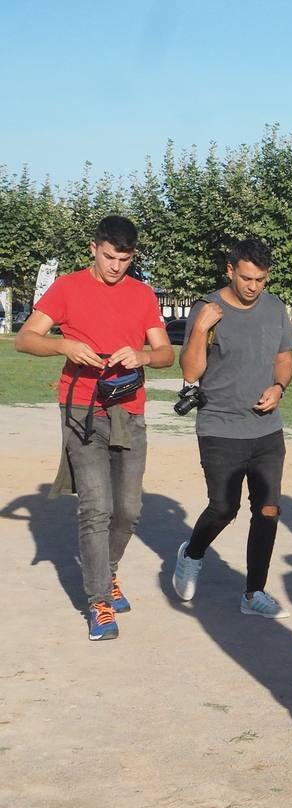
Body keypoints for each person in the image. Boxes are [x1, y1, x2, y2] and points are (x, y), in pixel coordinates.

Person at [15, 215, 173, 641]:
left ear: (132, 256)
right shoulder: (67, 287)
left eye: (123, 258)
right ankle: (99, 601)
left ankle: (107, 568)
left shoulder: (142, 295)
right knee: (95, 507)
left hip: (130, 411)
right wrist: (63, 344)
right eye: (108, 256)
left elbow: (165, 354)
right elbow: (25, 338)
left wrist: (140, 356)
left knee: (128, 510)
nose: (115, 265)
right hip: (81, 410)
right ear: (93, 248)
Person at [171, 239, 292, 618]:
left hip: (266, 430)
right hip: (220, 426)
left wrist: (279, 387)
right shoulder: (207, 309)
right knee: (224, 508)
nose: (253, 286)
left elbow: (284, 359)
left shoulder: (275, 309)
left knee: (269, 509)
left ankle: (253, 593)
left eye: (260, 279)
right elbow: (191, 372)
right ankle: (192, 552)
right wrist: (199, 331)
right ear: (230, 271)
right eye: (246, 278)